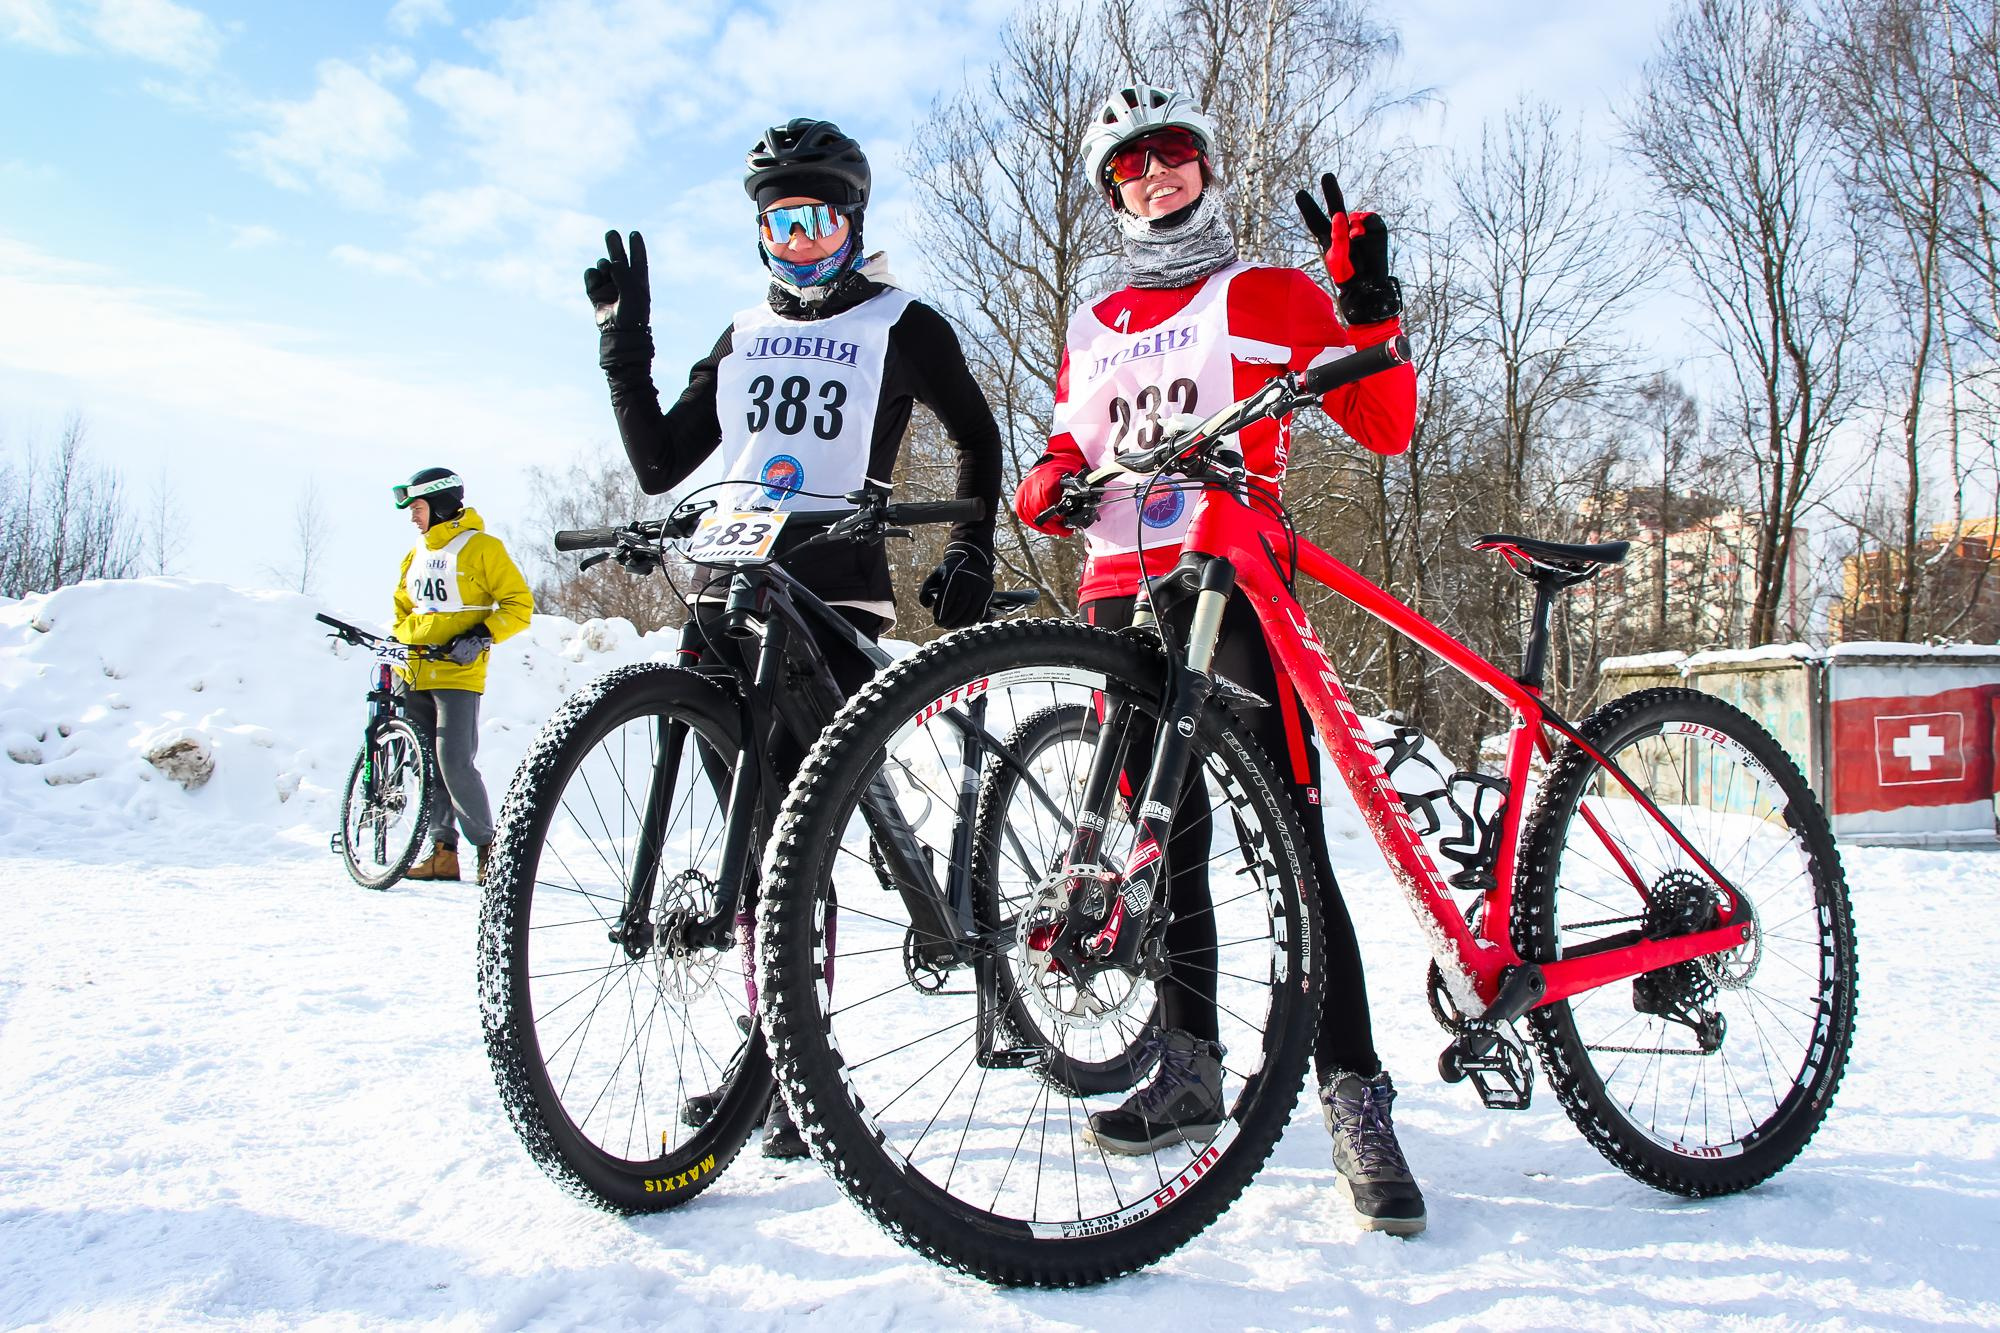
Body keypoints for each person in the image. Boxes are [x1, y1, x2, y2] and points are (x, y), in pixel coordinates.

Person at [1013, 83, 1426, 1235]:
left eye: (1172, 153)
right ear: (1110, 188)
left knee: (1290, 844)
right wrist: (1043, 479)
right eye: (1129, 165)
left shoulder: (1259, 290)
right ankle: (1189, 1063)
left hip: (1233, 582)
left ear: (1203, 162)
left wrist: (1362, 304)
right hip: (1116, 593)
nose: (1154, 175)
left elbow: (1385, 423)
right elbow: (1065, 446)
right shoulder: (1090, 321)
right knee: (1165, 844)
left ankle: (1353, 1091)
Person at [585, 117, 1004, 1157]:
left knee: (793, 840)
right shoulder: (738, 334)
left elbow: (977, 435)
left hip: (834, 594)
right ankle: (770, 1041)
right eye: (779, 224)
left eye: (817, 221)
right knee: (754, 845)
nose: (798, 242)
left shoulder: (904, 323)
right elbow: (655, 463)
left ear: (853, 224)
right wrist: (620, 341)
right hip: (729, 588)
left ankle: (790, 1052)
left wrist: (967, 551)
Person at [390, 467, 534, 887]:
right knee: (426, 766)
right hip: (413, 669)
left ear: (438, 505)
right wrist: (401, 640)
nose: (414, 518)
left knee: (454, 763)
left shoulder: (483, 548)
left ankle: (489, 848)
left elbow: (518, 605)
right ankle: (441, 852)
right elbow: (402, 605)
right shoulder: (416, 551)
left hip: (457, 673)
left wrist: (482, 635)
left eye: (417, 508)